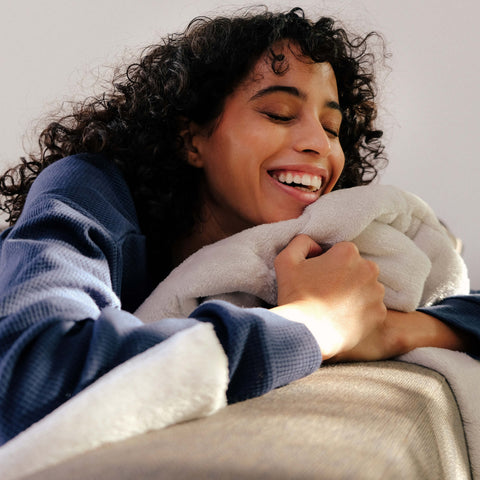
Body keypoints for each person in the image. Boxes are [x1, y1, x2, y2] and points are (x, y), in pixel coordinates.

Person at [0, 7, 478, 445]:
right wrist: (312, 325)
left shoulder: (320, 238)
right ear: (193, 138)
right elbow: (34, 375)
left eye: (332, 129)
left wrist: (390, 331)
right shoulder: (88, 193)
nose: (318, 142)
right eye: (278, 113)